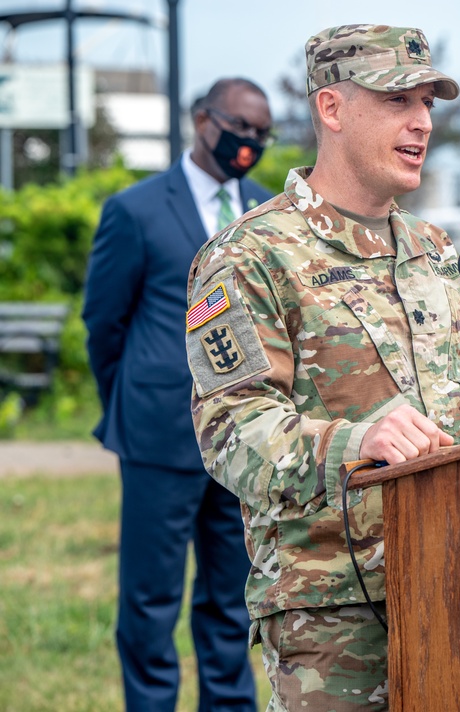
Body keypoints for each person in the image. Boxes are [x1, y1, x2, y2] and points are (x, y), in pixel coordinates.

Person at [184, 25, 460, 711]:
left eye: (428, 104)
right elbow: (232, 431)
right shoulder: (251, 256)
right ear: (332, 109)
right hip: (333, 614)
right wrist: (357, 442)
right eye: (397, 101)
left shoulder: (435, 250)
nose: (421, 122)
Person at [83, 77, 274, 712]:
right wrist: (133, 400)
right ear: (203, 120)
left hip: (242, 441)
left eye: (262, 134)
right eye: (240, 128)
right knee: (149, 601)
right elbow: (103, 324)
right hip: (158, 437)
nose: (249, 142)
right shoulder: (134, 210)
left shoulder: (266, 214)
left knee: (229, 598)